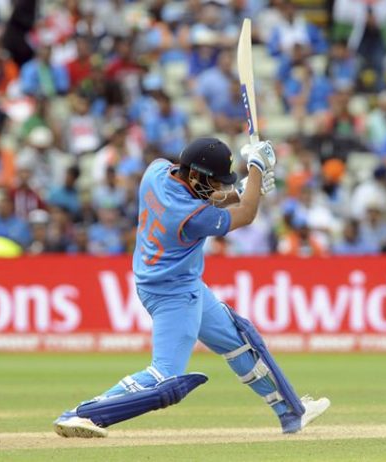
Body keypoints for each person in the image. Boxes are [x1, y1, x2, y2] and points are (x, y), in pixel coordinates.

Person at [53, 137, 330, 438]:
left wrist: (242, 191)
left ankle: (289, 412)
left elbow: (205, 197)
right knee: (163, 376)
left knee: (239, 340)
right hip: (175, 294)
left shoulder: (156, 171)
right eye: (215, 181)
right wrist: (256, 168)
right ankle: (83, 414)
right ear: (196, 175)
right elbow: (247, 214)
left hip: (172, 283)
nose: (218, 187)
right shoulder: (190, 217)